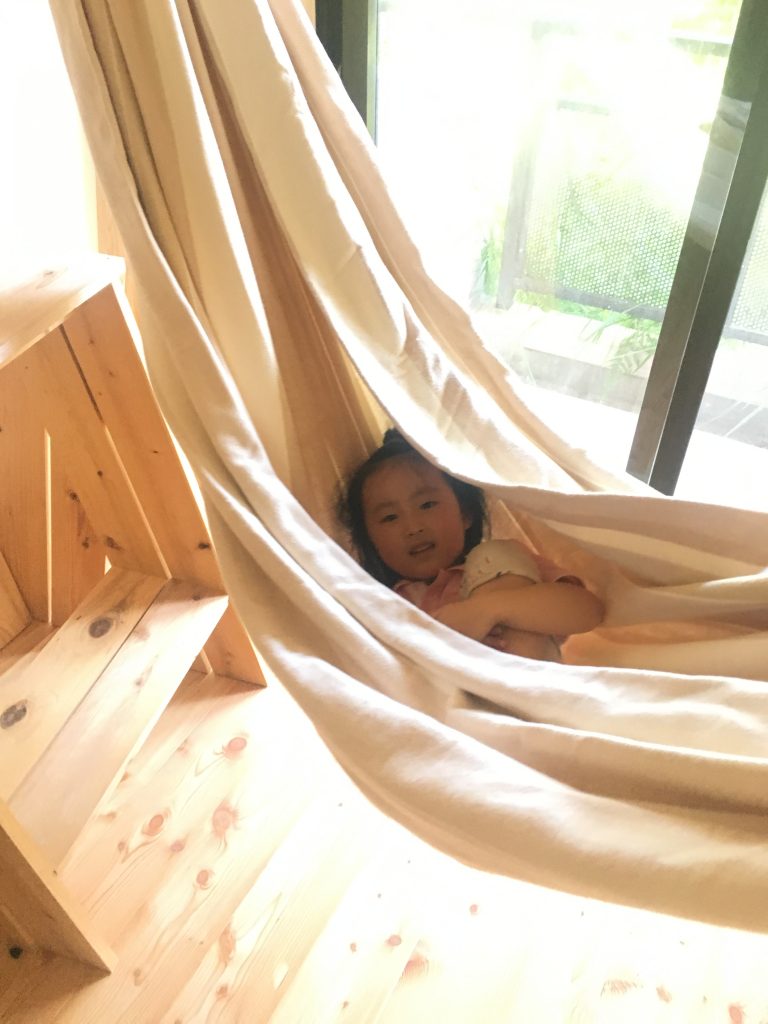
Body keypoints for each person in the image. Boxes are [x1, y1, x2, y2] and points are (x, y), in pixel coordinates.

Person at [337, 429, 604, 661]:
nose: (413, 527)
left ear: (465, 513)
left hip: (527, 683)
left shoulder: (503, 565)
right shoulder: (385, 602)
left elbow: (588, 610)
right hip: (446, 693)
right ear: (371, 539)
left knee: (495, 554)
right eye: (389, 517)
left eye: (427, 504)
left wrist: (488, 610)